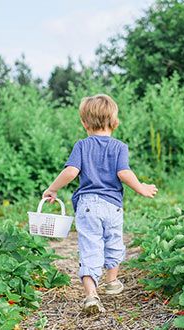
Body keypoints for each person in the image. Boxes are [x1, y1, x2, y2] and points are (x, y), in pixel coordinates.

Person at [41, 94, 158, 315]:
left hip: (87, 205)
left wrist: (53, 188)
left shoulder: (82, 145)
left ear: (84, 123)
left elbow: (71, 171)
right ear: (115, 122)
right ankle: (112, 281)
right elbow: (124, 173)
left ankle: (91, 295)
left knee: (90, 247)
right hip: (112, 205)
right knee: (114, 242)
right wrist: (141, 187)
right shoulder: (119, 147)